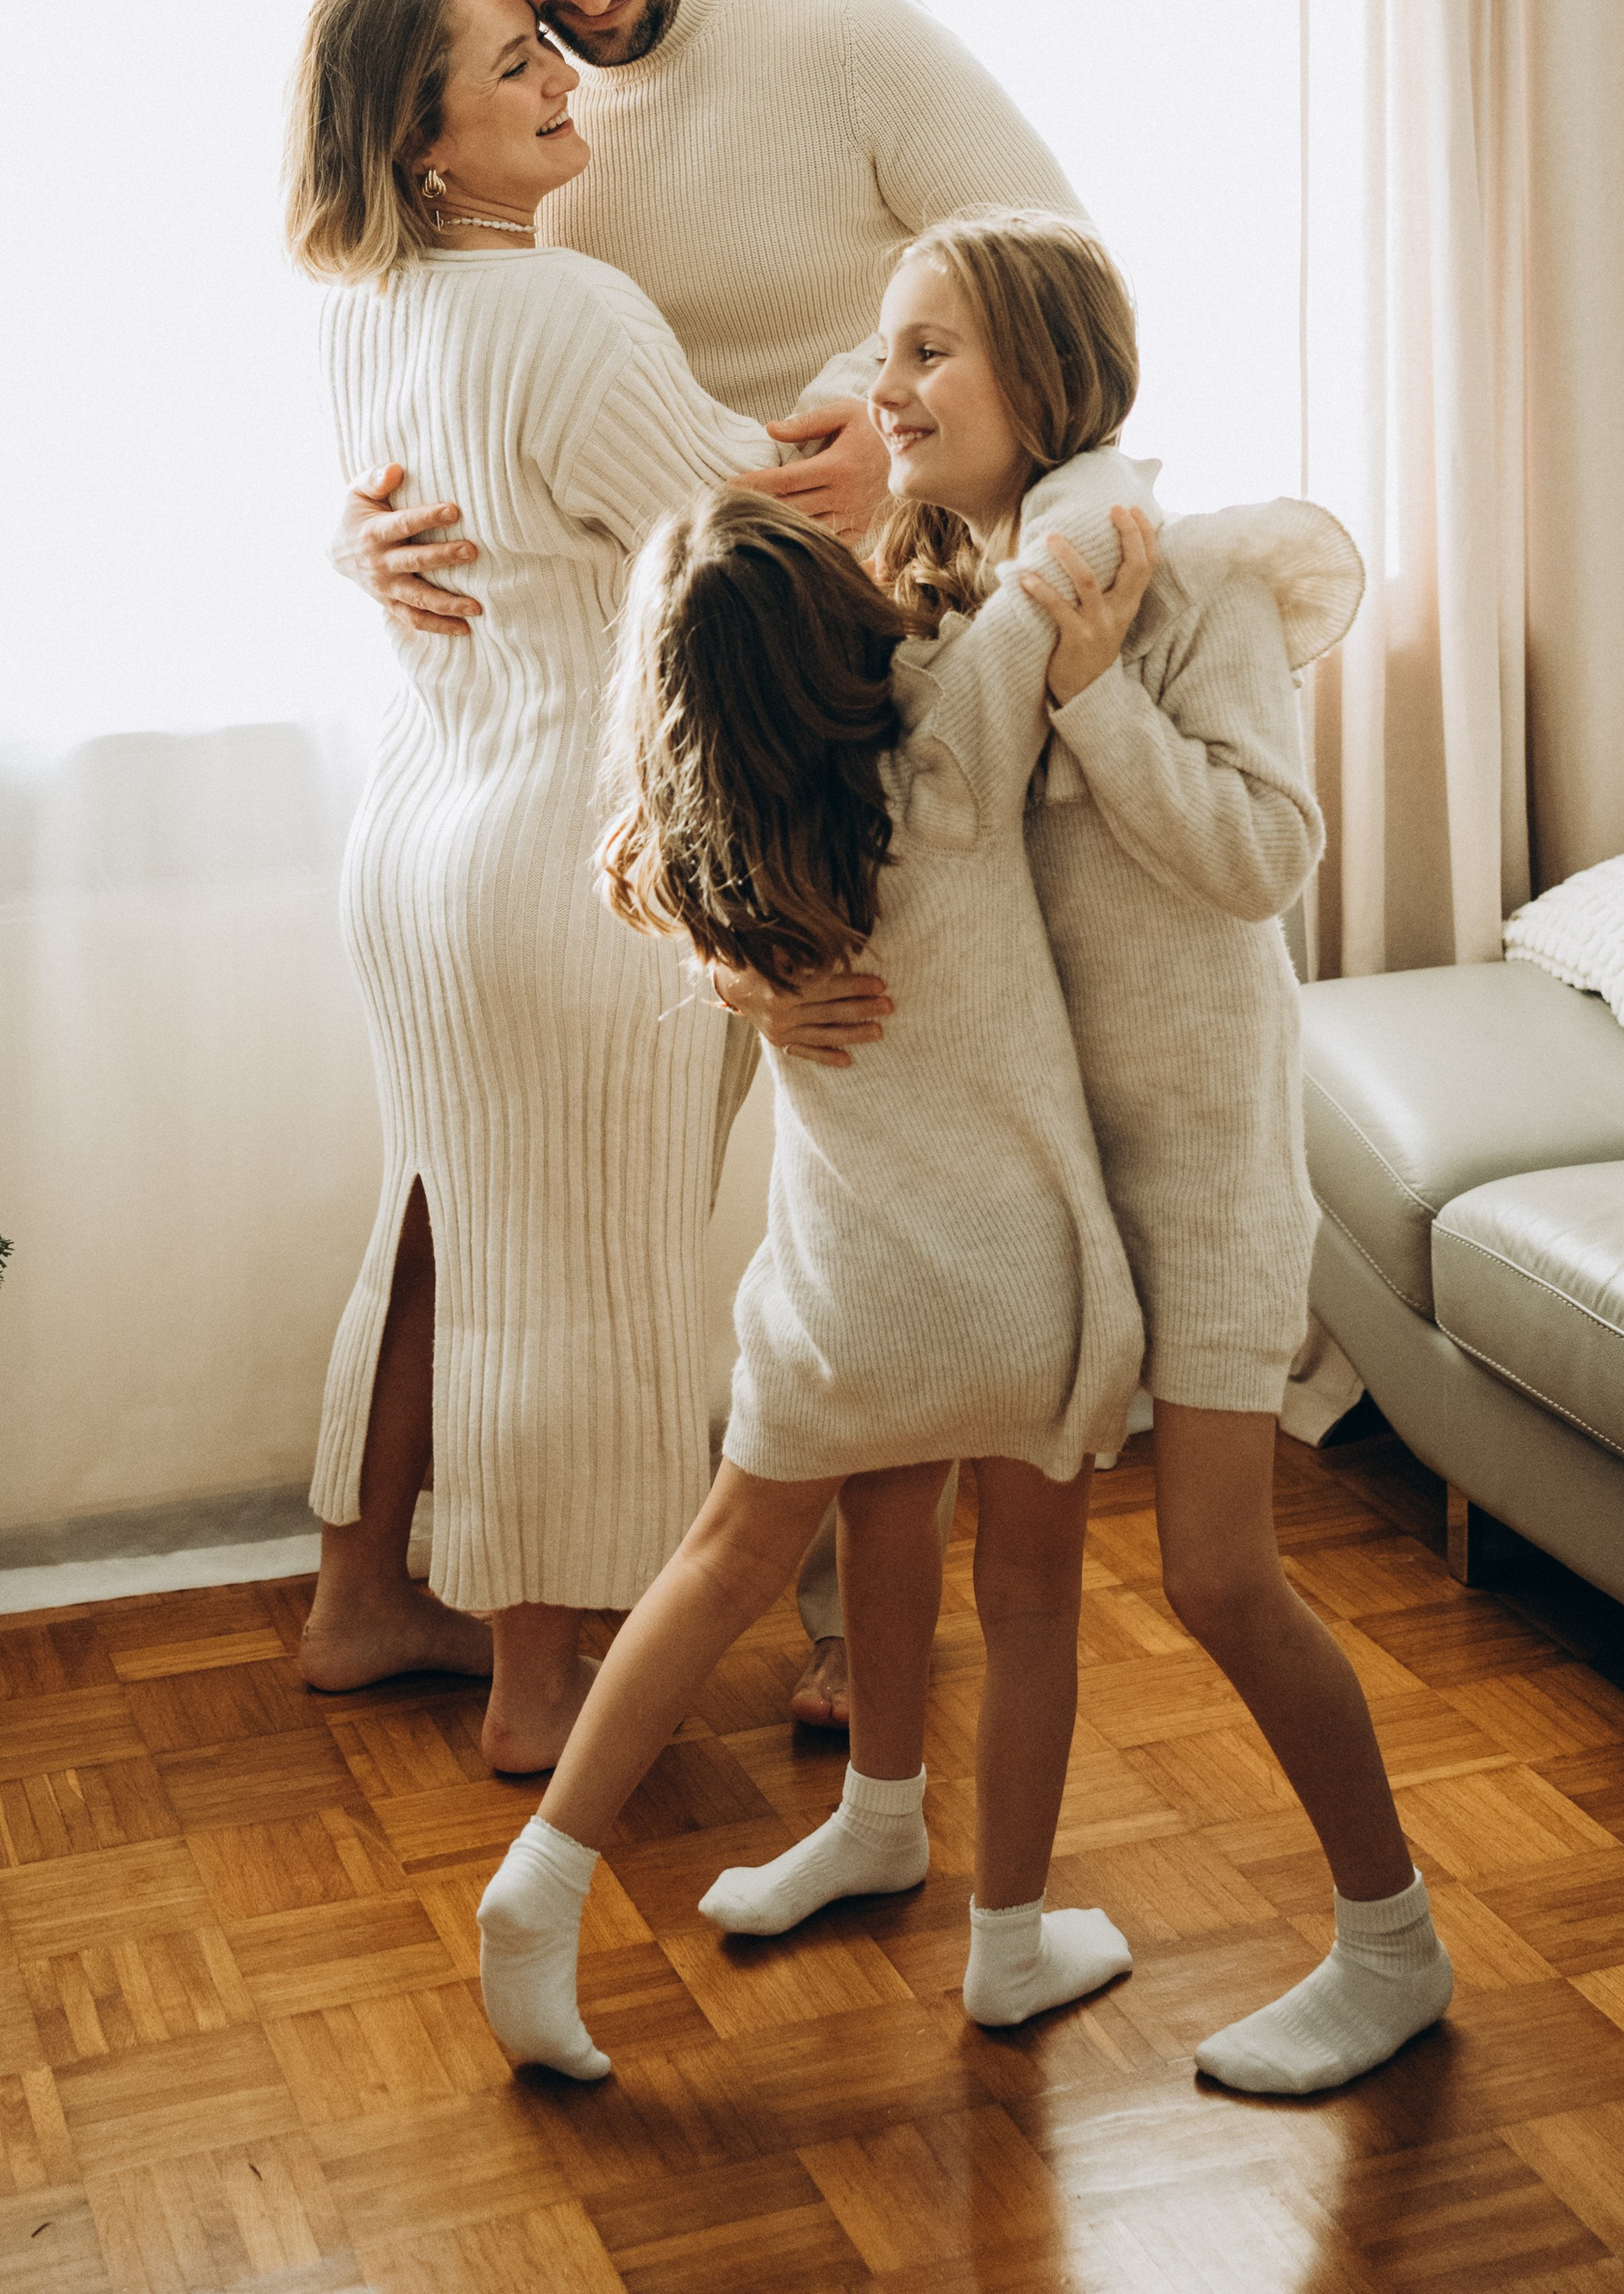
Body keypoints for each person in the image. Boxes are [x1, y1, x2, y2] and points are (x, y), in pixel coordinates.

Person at [335, 0, 1084, 1725]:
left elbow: (1058, 261)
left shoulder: (844, 40)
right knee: (582, 1197)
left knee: (864, 1161)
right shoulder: (518, 108)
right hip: (604, 718)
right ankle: (632, 1618)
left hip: (836, 681)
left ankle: (853, 1644)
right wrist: (364, 534)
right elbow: (460, 362)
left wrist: (882, 408)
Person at [717, 212, 1456, 2096]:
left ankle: (1392, 1944)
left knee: (1215, 1571)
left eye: (927, 353)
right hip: (1025, 1162)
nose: (884, 393)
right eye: (882, 353)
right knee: (897, 1496)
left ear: (1048, 372)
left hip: (1189, 1172)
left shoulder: (1164, 577)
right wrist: (761, 991)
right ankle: (885, 1819)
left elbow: (1256, 856)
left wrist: (1089, 693)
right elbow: (856, 842)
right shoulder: (941, 575)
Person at [474, 487, 1154, 2080]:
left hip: (852, 1298)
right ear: (842, 628)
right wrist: (914, 461)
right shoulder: (949, 754)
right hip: (1020, 1287)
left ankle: (546, 1876)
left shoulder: (713, 862)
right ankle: (1003, 1943)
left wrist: (736, 980)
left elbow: (664, 860)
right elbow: (1094, 521)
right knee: (1034, 1602)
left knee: (727, 1563)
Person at [284, 0, 777, 1771]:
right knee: (582, 1257)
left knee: (436, 1223)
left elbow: (429, 521)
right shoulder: (569, 317)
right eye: (514, 66)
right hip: (565, 859)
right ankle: (535, 1682)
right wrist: (879, 439)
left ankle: (359, 1597)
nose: (565, 75)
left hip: (416, 840)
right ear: (423, 143)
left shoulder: (362, 305)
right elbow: (732, 528)